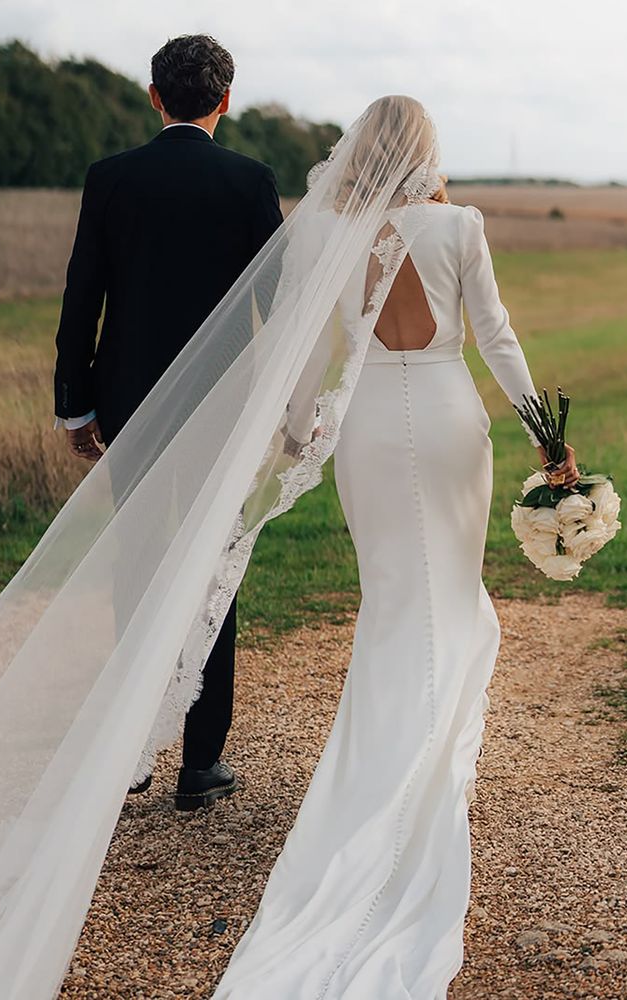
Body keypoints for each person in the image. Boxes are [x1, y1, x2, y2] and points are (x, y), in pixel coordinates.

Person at [210, 95, 578, 997]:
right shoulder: (459, 225)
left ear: (355, 154)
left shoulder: (323, 230)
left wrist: (297, 428)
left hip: (369, 423)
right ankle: (423, 749)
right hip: (451, 419)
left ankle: (387, 759)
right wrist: (546, 435)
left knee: (390, 595)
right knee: (447, 586)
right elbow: (496, 334)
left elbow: (305, 349)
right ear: (427, 151)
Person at [52, 34, 283, 809]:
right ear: (226, 99)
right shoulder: (250, 182)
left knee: (138, 572)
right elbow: (275, 310)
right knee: (212, 574)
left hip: (130, 407)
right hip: (224, 413)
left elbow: (82, 297)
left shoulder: (111, 178)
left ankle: (133, 752)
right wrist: (285, 409)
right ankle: (199, 763)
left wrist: (75, 405)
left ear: (155, 97)